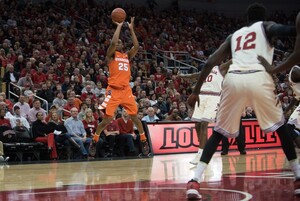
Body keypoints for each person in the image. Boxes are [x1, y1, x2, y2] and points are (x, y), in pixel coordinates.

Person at [186, 4, 300, 199]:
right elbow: (290, 31)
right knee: (281, 129)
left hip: (233, 79)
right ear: (263, 17)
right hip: (259, 77)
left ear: (246, 18)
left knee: (218, 133)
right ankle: (298, 177)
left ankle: (194, 181)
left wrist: (196, 91)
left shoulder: (235, 36)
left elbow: (210, 61)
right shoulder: (267, 27)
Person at [93, 17, 149, 155]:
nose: (117, 43)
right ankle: (95, 140)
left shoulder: (126, 56)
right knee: (107, 120)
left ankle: (143, 139)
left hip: (126, 90)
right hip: (113, 91)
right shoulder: (110, 56)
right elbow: (112, 42)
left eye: (119, 42)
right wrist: (118, 26)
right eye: (116, 42)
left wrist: (131, 29)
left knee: (135, 116)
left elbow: (136, 47)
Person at [179, 60, 231, 165]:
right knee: (197, 124)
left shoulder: (219, 68)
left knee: (203, 125)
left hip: (213, 97)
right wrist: (181, 75)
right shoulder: (204, 71)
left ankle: (200, 155)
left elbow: (231, 61)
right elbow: (192, 75)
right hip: (201, 96)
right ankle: (204, 148)